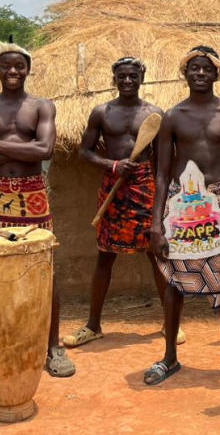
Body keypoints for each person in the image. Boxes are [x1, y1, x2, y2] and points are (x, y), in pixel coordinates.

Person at [0, 42, 75, 387]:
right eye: (6, 66)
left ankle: (52, 347)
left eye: (19, 66)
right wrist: (18, 150)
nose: (13, 72)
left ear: (28, 69)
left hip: (33, 193)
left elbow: (44, 150)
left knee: (44, 269)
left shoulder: (41, 106)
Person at [144, 46, 220, 388]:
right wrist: (156, 223)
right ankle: (170, 356)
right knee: (174, 282)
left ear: (217, 74)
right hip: (180, 203)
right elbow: (160, 173)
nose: (200, 73)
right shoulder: (172, 116)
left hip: (217, 201)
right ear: (185, 73)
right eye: (194, 68)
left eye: (206, 69)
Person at [63, 57, 182, 348]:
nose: (127, 81)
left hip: (145, 188)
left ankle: (171, 323)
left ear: (142, 77)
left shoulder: (155, 114)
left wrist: (163, 200)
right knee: (105, 255)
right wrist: (112, 165)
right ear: (114, 79)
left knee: (157, 255)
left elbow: (164, 160)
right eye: (122, 77)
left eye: (133, 76)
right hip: (114, 188)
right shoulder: (101, 113)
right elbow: (84, 152)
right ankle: (93, 325)